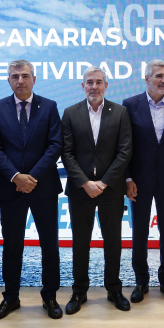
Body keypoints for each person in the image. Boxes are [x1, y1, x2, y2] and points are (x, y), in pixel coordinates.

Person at [0, 60, 64, 320]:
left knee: (49, 245)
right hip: (11, 188)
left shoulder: (49, 106)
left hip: (43, 187)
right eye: (15, 76)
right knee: (12, 246)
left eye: (25, 76)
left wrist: (32, 177)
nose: (20, 80)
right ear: (8, 80)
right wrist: (16, 177)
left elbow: (55, 145)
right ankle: (11, 298)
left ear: (34, 79)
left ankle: (50, 296)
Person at [61, 66, 133, 314]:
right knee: (80, 243)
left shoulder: (120, 112)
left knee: (113, 242)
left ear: (106, 86)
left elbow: (125, 151)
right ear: (83, 86)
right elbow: (67, 153)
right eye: (89, 82)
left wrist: (104, 182)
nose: (94, 86)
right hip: (80, 190)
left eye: (98, 82)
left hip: (110, 190)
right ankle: (79, 291)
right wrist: (85, 182)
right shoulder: (70, 113)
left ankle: (114, 289)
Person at [123, 60, 164, 303]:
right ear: (147, 79)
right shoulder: (130, 104)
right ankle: (141, 281)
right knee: (139, 232)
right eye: (159, 76)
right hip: (139, 181)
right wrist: (128, 178)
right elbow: (125, 146)